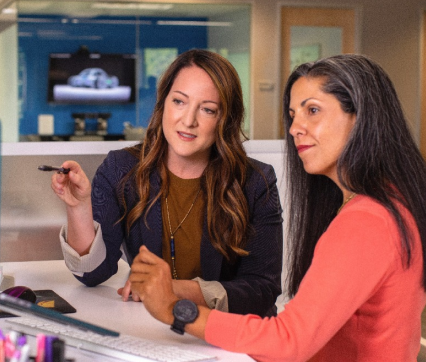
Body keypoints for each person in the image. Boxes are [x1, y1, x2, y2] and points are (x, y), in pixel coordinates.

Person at [128, 54, 426, 361]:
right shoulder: (393, 201)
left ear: (361, 117)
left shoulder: (366, 221)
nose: (295, 127)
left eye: (312, 111)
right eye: (293, 114)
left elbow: (289, 341)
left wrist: (176, 310)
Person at [50, 49, 283, 317]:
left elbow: (262, 290)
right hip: (151, 329)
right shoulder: (122, 169)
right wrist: (79, 207)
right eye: (179, 102)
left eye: (207, 109)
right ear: (163, 104)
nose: (188, 120)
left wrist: (170, 289)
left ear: (225, 120)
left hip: (226, 335)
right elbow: (92, 274)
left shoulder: (256, 182)